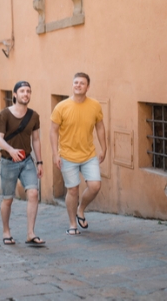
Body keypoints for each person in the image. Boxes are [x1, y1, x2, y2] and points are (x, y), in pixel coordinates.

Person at [50, 73, 107, 236]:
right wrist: (55, 153)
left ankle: (80, 210)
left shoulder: (95, 105)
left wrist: (104, 148)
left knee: (95, 186)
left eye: (82, 83)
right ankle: (72, 224)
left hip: (89, 154)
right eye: (76, 82)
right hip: (67, 155)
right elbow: (53, 131)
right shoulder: (61, 106)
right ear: (72, 85)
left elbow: (100, 127)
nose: (78, 85)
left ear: (87, 87)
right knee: (73, 190)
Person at [0, 81, 45, 246]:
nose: (26, 94)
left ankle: (31, 233)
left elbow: (36, 140)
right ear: (15, 94)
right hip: (8, 162)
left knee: (33, 194)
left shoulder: (34, 116)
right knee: (8, 199)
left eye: (28, 91)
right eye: (22, 91)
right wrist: (11, 150)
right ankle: (6, 231)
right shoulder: (4, 114)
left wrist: (40, 162)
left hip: (27, 161)